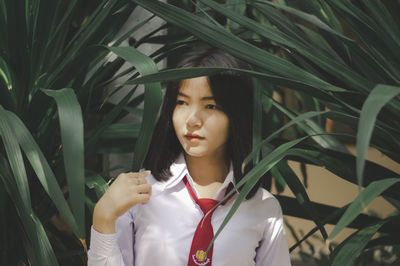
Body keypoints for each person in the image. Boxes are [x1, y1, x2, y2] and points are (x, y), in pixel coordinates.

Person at [88, 45, 291, 266]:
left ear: (236, 115)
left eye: (210, 105)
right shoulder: (139, 193)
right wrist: (103, 219)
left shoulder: (264, 210)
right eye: (182, 102)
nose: (192, 120)